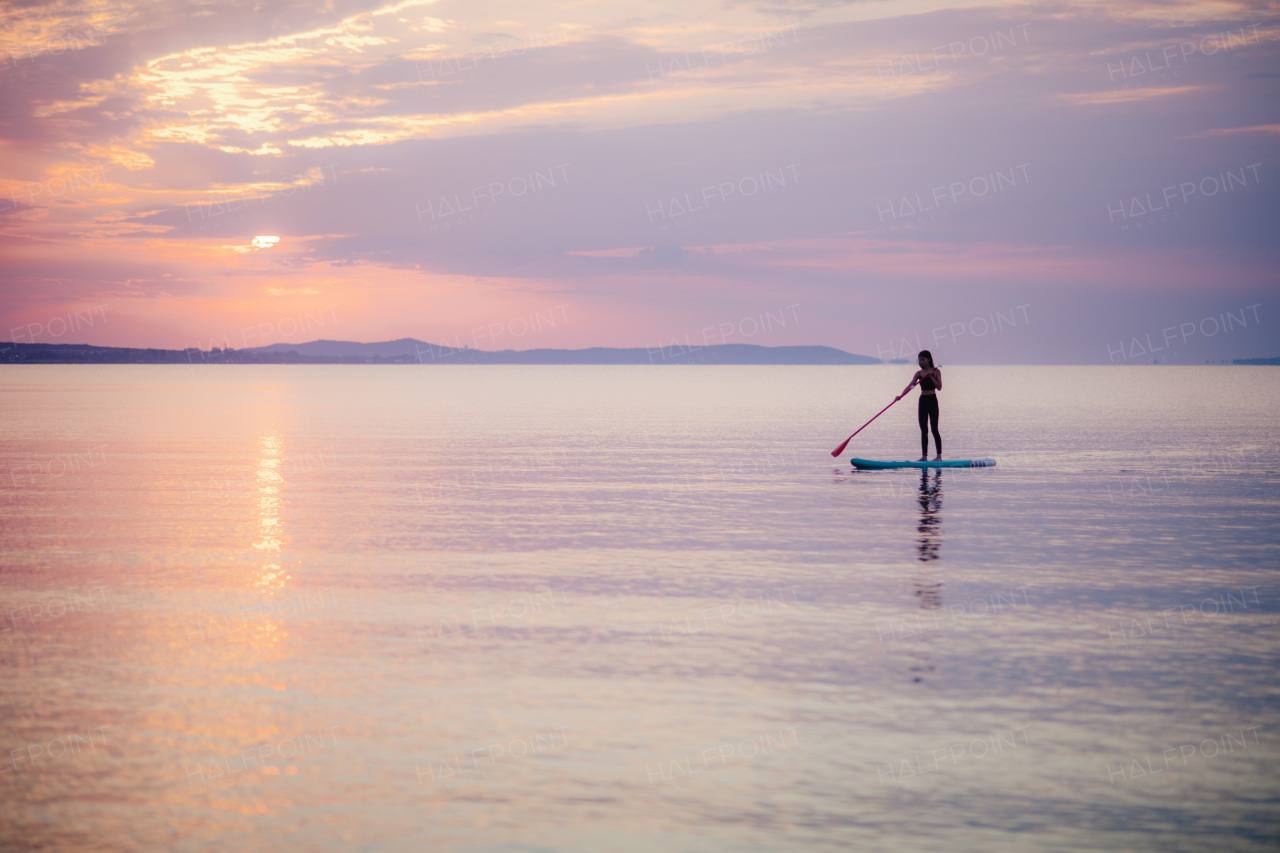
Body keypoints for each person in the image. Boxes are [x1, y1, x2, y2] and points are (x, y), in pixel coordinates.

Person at [898, 350, 942, 461]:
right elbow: (911, 386)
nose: (921, 362)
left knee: (934, 429)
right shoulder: (918, 374)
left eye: (923, 359)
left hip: (932, 400)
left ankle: (938, 456)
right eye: (919, 360)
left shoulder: (936, 371)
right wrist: (900, 396)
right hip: (923, 401)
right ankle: (924, 456)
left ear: (929, 360)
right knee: (924, 429)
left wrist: (931, 377)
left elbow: (939, 387)